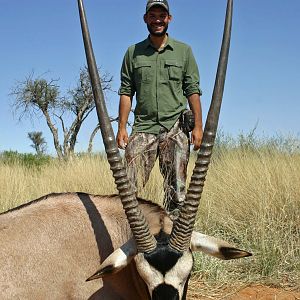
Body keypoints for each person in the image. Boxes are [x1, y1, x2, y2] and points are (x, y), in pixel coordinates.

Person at [116, 0, 203, 217]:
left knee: (178, 193)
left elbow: (192, 90)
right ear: (145, 19)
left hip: (174, 127)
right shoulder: (132, 53)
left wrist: (198, 127)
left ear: (169, 19)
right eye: (152, 15)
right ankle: (131, 236)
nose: (157, 20)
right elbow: (126, 92)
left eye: (161, 16)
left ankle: (175, 243)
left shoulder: (184, 51)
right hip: (143, 127)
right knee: (128, 190)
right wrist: (122, 127)